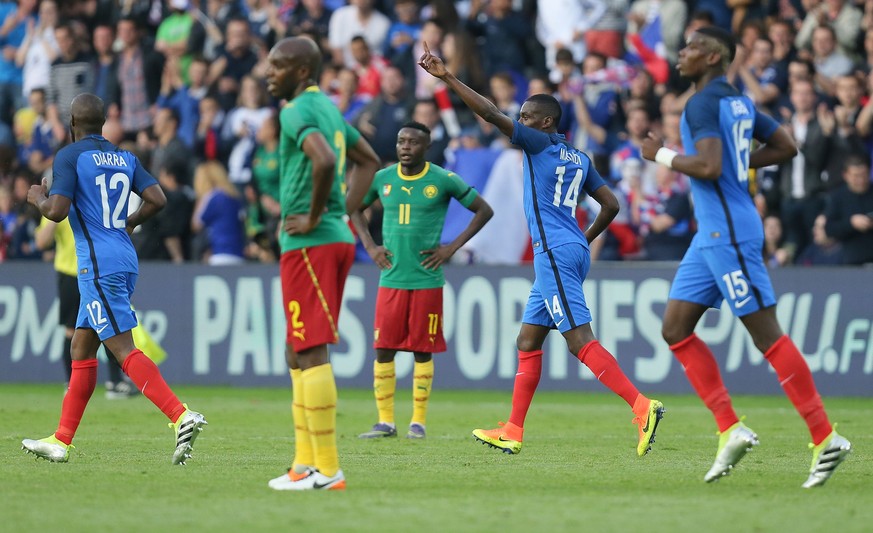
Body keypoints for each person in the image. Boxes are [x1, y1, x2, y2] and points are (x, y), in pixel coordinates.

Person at [418, 43, 665, 458]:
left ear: (546, 123)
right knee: (528, 339)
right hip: (569, 247)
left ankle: (642, 406)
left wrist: (447, 78)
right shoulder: (580, 156)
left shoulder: (539, 144)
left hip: (552, 251)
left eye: (527, 117)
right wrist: (582, 240)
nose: (519, 122)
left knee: (578, 340)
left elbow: (490, 114)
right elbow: (612, 205)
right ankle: (513, 429)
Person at [641, 26, 851, 488]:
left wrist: (660, 154)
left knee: (766, 336)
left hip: (729, 232)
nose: (683, 52)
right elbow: (785, 146)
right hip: (711, 233)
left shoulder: (701, 104)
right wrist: (740, 163)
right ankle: (730, 428)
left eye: (693, 46)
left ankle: (825, 436)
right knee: (675, 328)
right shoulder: (738, 102)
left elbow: (711, 166)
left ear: (714, 57)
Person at [22, 93, 206, 465]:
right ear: (103, 122)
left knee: (121, 348)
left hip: (96, 264)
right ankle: (61, 440)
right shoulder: (125, 157)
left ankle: (180, 415)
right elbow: (158, 198)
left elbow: (56, 212)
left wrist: (37, 197)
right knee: (82, 349)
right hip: (123, 254)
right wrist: (130, 222)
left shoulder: (69, 156)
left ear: (73, 123)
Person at [264, 36, 380, 491]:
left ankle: (328, 470)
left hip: (311, 241)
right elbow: (367, 161)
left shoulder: (295, 112)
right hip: (327, 239)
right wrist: (341, 212)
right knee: (297, 348)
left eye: (277, 67)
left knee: (309, 347)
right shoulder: (329, 108)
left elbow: (326, 160)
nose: (269, 74)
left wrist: (316, 216)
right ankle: (303, 464)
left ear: (300, 71)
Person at [353, 121, 493, 440]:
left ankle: (418, 422)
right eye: (402, 141)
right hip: (391, 277)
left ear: (426, 147)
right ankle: (385, 421)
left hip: (427, 278)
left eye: (413, 143)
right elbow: (354, 209)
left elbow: (483, 210)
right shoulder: (382, 179)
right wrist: (370, 246)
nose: (405, 147)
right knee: (384, 348)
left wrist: (451, 248)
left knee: (422, 350)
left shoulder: (442, 179)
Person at [34, 206, 137, 398]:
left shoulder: (92, 198)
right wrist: (53, 214)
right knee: (72, 330)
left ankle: (115, 383)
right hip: (71, 274)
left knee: (109, 326)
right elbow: (41, 242)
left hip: (100, 271)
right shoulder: (60, 203)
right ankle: (72, 383)